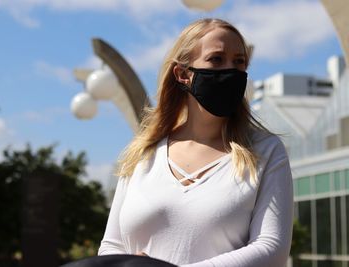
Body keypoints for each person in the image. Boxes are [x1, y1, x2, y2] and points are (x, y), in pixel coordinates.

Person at [98, 18, 293, 267]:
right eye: (216, 59)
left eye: (239, 62)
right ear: (182, 74)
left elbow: (271, 249)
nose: (230, 70)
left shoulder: (265, 151)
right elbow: (111, 246)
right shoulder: (144, 154)